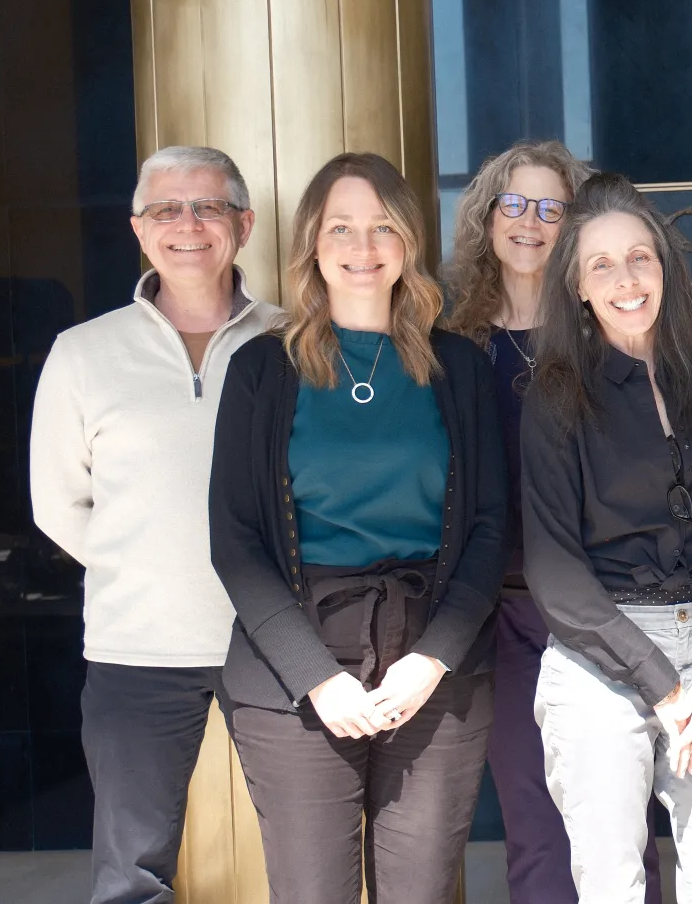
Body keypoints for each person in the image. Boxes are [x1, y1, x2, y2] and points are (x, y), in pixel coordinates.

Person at [209, 152, 505, 903]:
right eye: (341, 226)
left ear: (408, 240)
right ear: (313, 241)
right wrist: (316, 677)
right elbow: (236, 539)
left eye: (382, 226)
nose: (362, 245)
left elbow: (488, 527)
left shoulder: (458, 366)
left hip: (434, 659)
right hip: (295, 666)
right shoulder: (261, 370)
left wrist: (432, 659)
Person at [29, 145, 282, 904]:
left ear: (243, 222)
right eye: (166, 209)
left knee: (314, 851)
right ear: (139, 230)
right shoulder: (83, 353)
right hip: (135, 646)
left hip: (280, 640)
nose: (188, 224)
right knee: (131, 873)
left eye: (207, 205)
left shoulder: (297, 342)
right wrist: (141, 563)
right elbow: (57, 502)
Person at [521, 173, 692, 904]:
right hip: (602, 661)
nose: (626, 278)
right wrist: (660, 683)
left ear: (665, 265)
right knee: (612, 887)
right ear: (576, 284)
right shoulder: (556, 396)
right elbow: (555, 568)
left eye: (641, 256)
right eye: (601, 263)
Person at [444, 140, 665, 904]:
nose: (531, 223)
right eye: (514, 204)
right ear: (487, 216)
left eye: (552, 207)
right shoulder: (453, 343)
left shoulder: (615, 334)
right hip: (505, 614)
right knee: (535, 826)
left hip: (608, 609)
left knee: (623, 824)